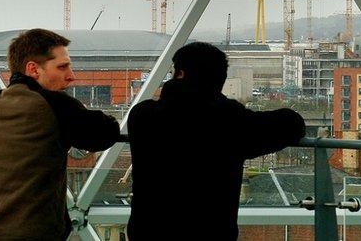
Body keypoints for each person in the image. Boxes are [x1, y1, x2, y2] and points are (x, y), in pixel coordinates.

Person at [0, 28, 120, 241]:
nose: (71, 76)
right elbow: (106, 133)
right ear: (33, 69)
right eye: (62, 67)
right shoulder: (56, 107)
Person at [127, 41, 306, 240]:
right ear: (219, 81)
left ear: (179, 74)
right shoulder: (230, 121)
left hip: (148, 232)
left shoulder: (142, 117)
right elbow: (292, 124)